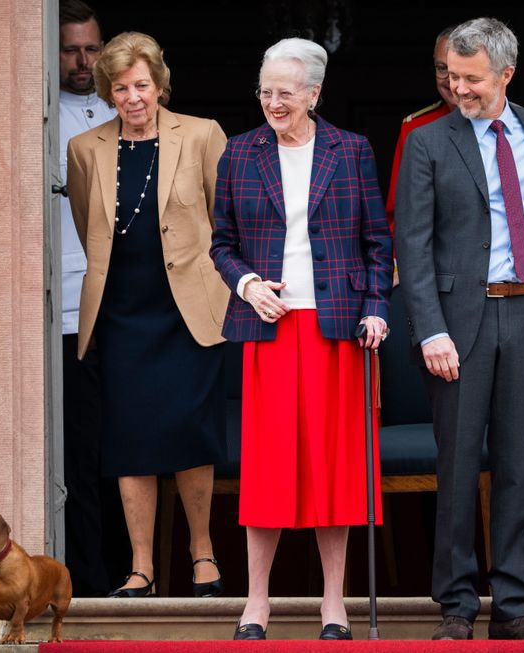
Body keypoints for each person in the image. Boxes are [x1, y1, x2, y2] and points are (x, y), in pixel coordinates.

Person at [210, 37, 392, 641]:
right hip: (270, 329)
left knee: (333, 470)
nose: (273, 103)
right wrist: (247, 285)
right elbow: (221, 243)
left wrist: (376, 308)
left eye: (285, 93)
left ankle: (333, 604)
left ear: (314, 93)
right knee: (267, 468)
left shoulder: (352, 149)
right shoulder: (240, 152)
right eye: (265, 92)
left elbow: (376, 241)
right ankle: (256, 603)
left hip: (337, 328)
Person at [394, 18, 524, 641]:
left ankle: (514, 607)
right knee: (460, 464)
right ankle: (457, 606)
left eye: (472, 79)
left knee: (520, 464)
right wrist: (429, 330)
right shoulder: (427, 140)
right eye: (452, 76)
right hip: (457, 322)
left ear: (506, 74)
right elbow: (412, 246)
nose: (458, 88)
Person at [66, 31, 229, 599]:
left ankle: (202, 553)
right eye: (120, 88)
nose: (132, 97)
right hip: (123, 316)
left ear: (159, 83)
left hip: (188, 313)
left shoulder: (203, 134)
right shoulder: (84, 148)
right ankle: (141, 567)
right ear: (108, 93)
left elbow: (225, 221)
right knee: (129, 439)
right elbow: (90, 228)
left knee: (190, 433)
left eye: (141, 85)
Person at [57, 0, 122, 599]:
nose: (83, 62)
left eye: (92, 49)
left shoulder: (126, 108)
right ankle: (90, 583)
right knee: (81, 453)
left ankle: (139, 576)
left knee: (130, 447)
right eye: (71, 50)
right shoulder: (40, 115)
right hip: (70, 310)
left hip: (127, 308)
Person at [384, 25, 458, 234]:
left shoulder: (509, 126)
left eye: (459, 68)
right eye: (442, 68)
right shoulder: (416, 128)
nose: (451, 80)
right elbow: (400, 214)